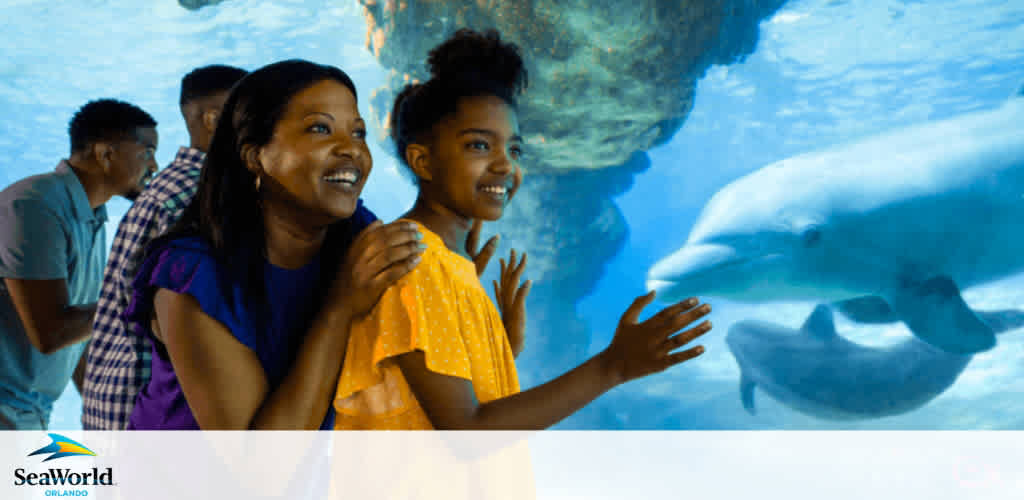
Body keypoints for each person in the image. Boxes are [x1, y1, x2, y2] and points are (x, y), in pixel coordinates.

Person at [332, 28, 712, 431]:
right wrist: (612, 366)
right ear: (423, 162)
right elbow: (468, 431)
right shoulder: (414, 263)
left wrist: (501, 346)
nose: (505, 166)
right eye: (479, 145)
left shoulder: (447, 261)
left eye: (514, 149)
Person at [119, 59, 498, 430]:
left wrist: (456, 290)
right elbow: (261, 475)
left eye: (358, 133)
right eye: (320, 129)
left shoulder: (352, 231)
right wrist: (339, 308)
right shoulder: (192, 278)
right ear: (255, 156)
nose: (350, 149)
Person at [82, 64, 248, 430]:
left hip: (113, 403)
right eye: (251, 110)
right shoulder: (196, 195)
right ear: (212, 118)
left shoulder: (171, 187)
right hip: (144, 411)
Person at [0, 99, 158, 429]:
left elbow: (79, 333)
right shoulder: (34, 205)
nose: (155, 166)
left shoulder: (92, 218)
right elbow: (51, 332)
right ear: (106, 154)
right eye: (147, 152)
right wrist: (143, 298)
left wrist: (114, 423)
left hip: (29, 413)